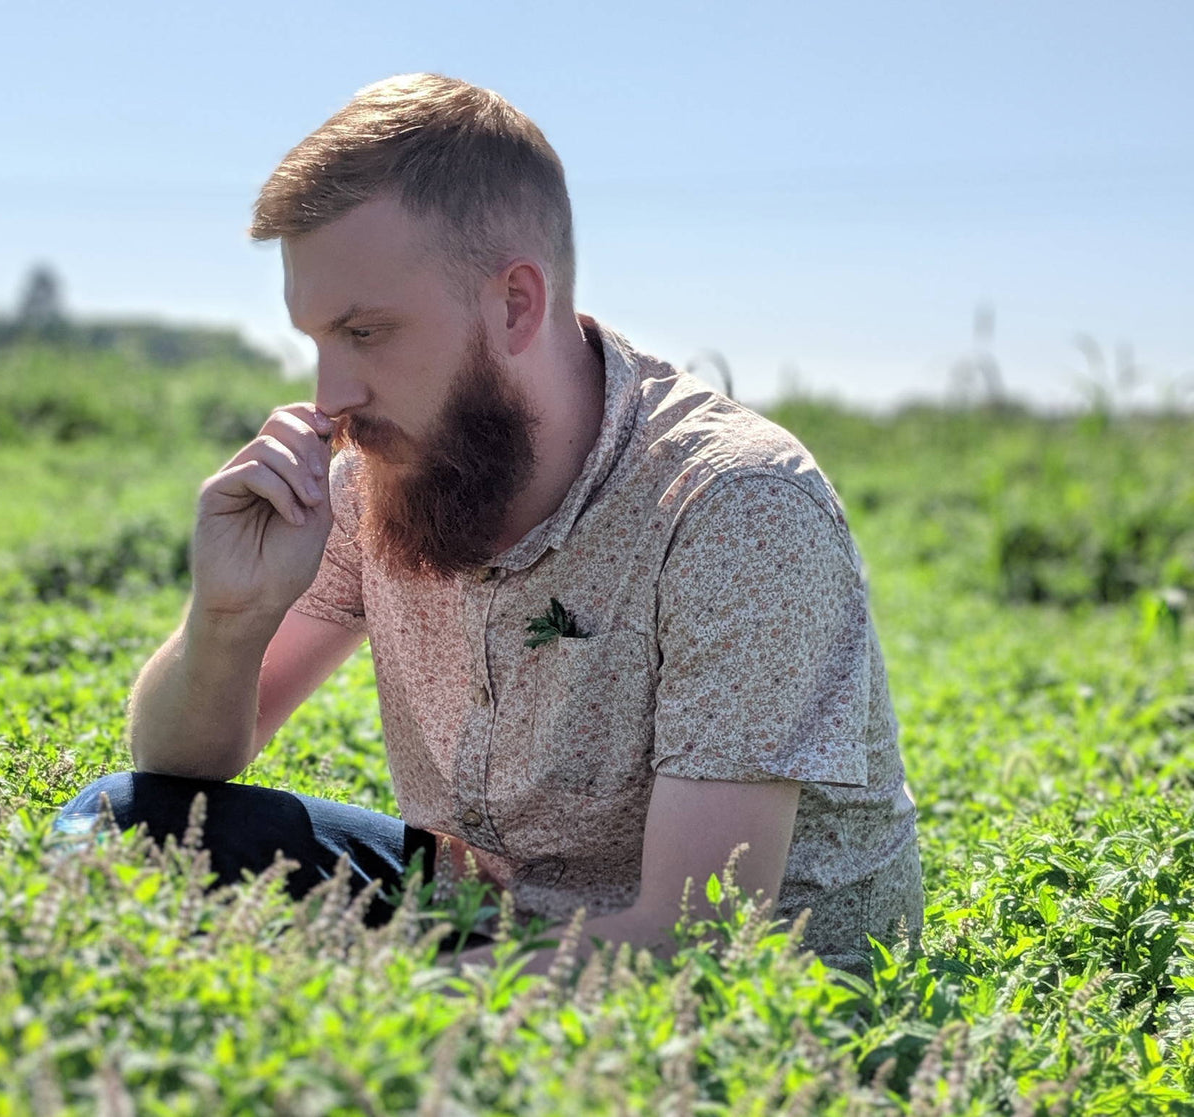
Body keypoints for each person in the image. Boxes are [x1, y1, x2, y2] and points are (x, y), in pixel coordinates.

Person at [54, 72, 924, 982]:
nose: (330, 396)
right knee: (124, 823)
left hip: (761, 989)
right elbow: (176, 760)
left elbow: (693, 946)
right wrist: (228, 615)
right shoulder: (382, 473)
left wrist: (357, 993)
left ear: (515, 303)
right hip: (493, 906)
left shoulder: (736, 504)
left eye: (367, 332)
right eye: (316, 341)